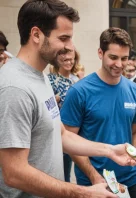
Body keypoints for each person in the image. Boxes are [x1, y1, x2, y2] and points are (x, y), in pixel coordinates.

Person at [0, 1, 136, 198]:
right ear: (36, 35)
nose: (70, 47)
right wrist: (82, 192)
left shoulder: (39, 76)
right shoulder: (15, 87)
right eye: (63, 38)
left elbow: (62, 135)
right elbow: (14, 174)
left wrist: (109, 150)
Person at [60, 27, 136, 198]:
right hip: (93, 184)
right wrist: (94, 176)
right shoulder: (79, 92)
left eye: (124, 58)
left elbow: (135, 131)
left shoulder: (135, 90)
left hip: (130, 180)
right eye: (113, 57)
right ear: (100, 53)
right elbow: (69, 141)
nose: (119, 64)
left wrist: (133, 155)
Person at [47, 49, 81, 183]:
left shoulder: (76, 80)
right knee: (57, 173)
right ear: (57, 61)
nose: (69, 62)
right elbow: (45, 106)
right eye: (65, 60)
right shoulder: (50, 79)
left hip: (74, 129)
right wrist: (54, 101)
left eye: (71, 59)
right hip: (56, 130)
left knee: (69, 170)